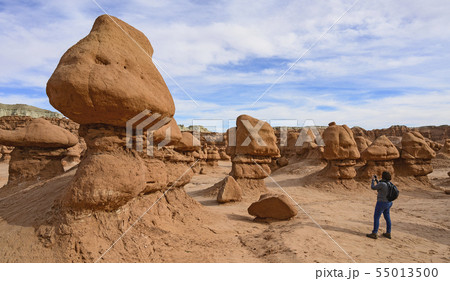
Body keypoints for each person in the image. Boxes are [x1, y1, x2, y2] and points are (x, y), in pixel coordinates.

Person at [366, 171, 393, 239]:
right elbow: (380, 187)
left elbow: (373, 187)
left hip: (381, 203)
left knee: (376, 217)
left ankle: (374, 233)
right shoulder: (389, 183)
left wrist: (372, 180)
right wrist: (377, 180)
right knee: (387, 218)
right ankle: (388, 232)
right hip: (389, 203)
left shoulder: (382, 184)